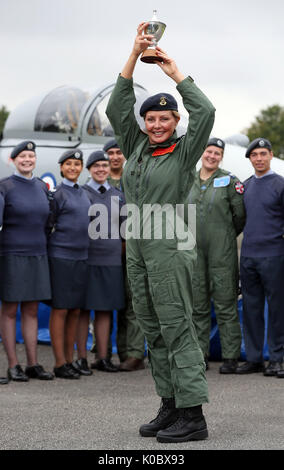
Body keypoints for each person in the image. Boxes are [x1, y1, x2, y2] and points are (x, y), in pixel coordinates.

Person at [106, 22, 215, 443]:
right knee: (151, 327)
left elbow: (205, 111)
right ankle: (170, 405)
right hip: (138, 243)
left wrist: (174, 72)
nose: (155, 125)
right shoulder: (135, 146)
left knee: (176, 326)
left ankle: (193, 415)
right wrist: (134, 54)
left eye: (164, 119)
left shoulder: (185, 149)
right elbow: (119, 106)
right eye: (150, 118)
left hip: (170, 245)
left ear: (174, 122)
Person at [189, 138, 245, 373]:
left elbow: (240, 216)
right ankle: (200, 354)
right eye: (209, 151)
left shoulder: (230, 181)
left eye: (217, 153)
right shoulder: (187, 179)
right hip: (193, 251)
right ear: (203, 153)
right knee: (198, 305)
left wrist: (223, 235)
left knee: (225, 304)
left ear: (221, 157)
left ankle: (230, 356)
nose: (212, 156)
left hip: (222, 251)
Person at [0, 140, 53, 381]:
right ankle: (13, 365)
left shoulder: (42, 187)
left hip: (38, 254)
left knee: (32, 309)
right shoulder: (5, 187)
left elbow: (48, 223)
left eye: (30, 156)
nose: (27, 160)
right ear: (13, 160)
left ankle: (33, 363)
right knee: (10, 310)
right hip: (12, 255)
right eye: (22, 156)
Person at [236, 138, 284, 378]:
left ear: (271, 155)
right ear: (250, 159)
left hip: (274, 255)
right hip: (249, 257)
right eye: (254, 155)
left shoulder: (280, 185)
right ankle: (254, 359)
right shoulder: (245, 186)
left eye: (263, 154)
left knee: (277, 309)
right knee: (251, 309)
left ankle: (277, 359)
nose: (259, 158)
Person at [77, 150, 125, 372]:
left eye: (104, 166)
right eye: (95, 166)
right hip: (87, 259)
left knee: (105, 310)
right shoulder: (82, 194)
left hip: (111, 260)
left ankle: (103, 357)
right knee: (83, 310)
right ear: (89, 169)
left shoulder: (118, 194)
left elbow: (126, 230)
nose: (100, 170)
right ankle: (81, 358)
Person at [103, 138, 146, 372]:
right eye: (110, 153)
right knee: (109, 302)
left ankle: (134, 353)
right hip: (106, 251)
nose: (115, 157)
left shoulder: (134, 179)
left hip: (132, 247)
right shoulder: (100, 181)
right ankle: (107, 352)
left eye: (119, 152)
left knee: (134, 302)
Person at [48, 149, 91, 379]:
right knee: (61, 308)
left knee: (75, 309)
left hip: (81, 256)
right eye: (69, 164)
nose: (73, 168)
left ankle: (70, 359)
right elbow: (48, 225)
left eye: (77, 164)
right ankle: (58, 362)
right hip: (61, 256)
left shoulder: (84, 193)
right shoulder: (57, 194)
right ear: (61, 167)